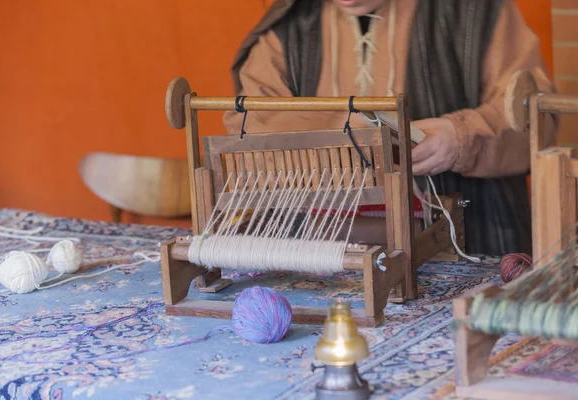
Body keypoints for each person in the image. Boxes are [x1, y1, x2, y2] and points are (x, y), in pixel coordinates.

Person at [222, 0, 557, 256]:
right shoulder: (288, 29)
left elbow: (535, 114)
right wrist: (341, 129)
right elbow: (249, 126)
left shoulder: (474, 11)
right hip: (323, 254)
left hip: (470, 244)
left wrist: (461, 138)